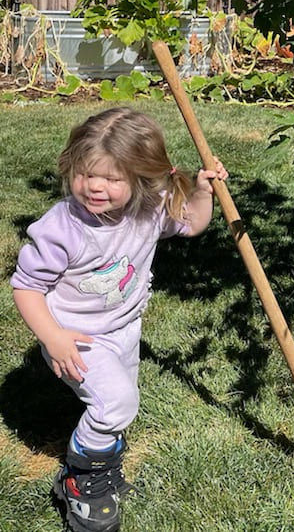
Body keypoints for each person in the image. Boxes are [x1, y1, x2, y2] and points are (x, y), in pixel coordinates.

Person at [10, 108, 227, 532]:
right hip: (78, 337)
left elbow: (193, 225)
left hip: (126, 328)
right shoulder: (62, 229)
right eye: (85, 173)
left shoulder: (148, 209)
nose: (94, 187)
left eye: (111, 179)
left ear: (143, 179)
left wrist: (203, 192)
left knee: (118, 404)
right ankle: (83, 479)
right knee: (116, 405)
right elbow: (26, 287)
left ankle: (99, 453)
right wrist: (52, 337)